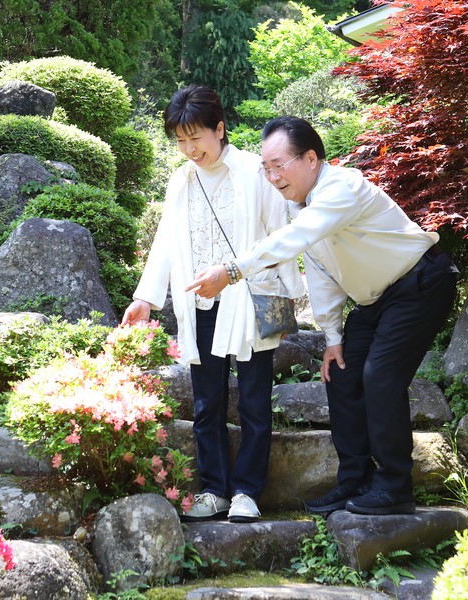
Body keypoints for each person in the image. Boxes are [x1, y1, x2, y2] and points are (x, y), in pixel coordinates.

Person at [187, 116, 458, 516]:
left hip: (420, 283)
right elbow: (321, 272)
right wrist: (332, 338)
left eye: (279, 165)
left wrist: (230, 272)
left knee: (380, 376)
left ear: (311, 158)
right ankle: (354, 479)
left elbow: (295, 240)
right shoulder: (301, 206)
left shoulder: (341, 188)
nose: (272, 176)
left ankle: (395, 485)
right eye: (267, 168)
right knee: (343, 371)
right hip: (376, 300)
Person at [122, 86, 304, 523]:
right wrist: (145, 297)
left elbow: (281, 234)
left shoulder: (253, 172)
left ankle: (246, 492)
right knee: (206, 402)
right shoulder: (181, 180)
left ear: (220, 130)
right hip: (201, 304)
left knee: (255, 401)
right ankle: (215, 489)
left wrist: (287, 286)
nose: (188, 149)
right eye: (180, 140)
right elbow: (165, 241)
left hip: (249, 300)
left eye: (195, 138)